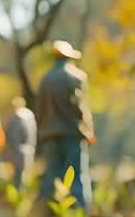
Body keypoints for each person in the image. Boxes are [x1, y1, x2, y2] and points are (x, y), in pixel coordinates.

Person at [36, 40, 94, 208]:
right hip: (72, 133)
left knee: (51, 178)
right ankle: (80, 215)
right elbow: (80, 107)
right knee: (76, 176)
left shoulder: (45, 79)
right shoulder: (77, 76)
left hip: (49, 135)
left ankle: (47, 214)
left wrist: (42, 132)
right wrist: (88, 130)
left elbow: (39, 110)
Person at [4, 97, 37, 191]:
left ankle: (18, 195)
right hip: (29, 149)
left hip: (17, 150)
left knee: (18, 176)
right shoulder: (30, 116)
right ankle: (23, 195)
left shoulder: (15, 117)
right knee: (25, 175)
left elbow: (12, 136)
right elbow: (33, 135)